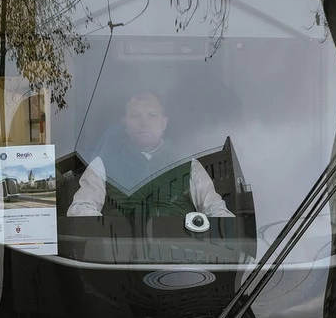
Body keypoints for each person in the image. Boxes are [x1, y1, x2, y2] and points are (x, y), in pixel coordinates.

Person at [67, 91, 234, 221]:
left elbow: (215, 210)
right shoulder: (102, 164)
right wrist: (108, 231)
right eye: (135, 116)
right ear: (125, 123)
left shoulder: (188, 165)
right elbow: (81, 209)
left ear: (164, 122)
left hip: (180, 261)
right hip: (118, 261)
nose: (144, 122)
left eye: (152, 115)